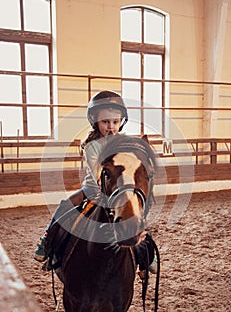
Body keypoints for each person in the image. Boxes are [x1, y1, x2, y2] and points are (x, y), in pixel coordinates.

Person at [34, 90, 157, 274]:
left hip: (116, 188)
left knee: (134, 217)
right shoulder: (92, 146)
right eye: (105, 122)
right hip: (93, 189)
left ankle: (146, 258)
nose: (110, 127)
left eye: (115, 122)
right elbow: (98, 173)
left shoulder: (124, 142)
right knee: (64, 206)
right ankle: (47, 243)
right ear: (95, 122)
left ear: (121, 122)